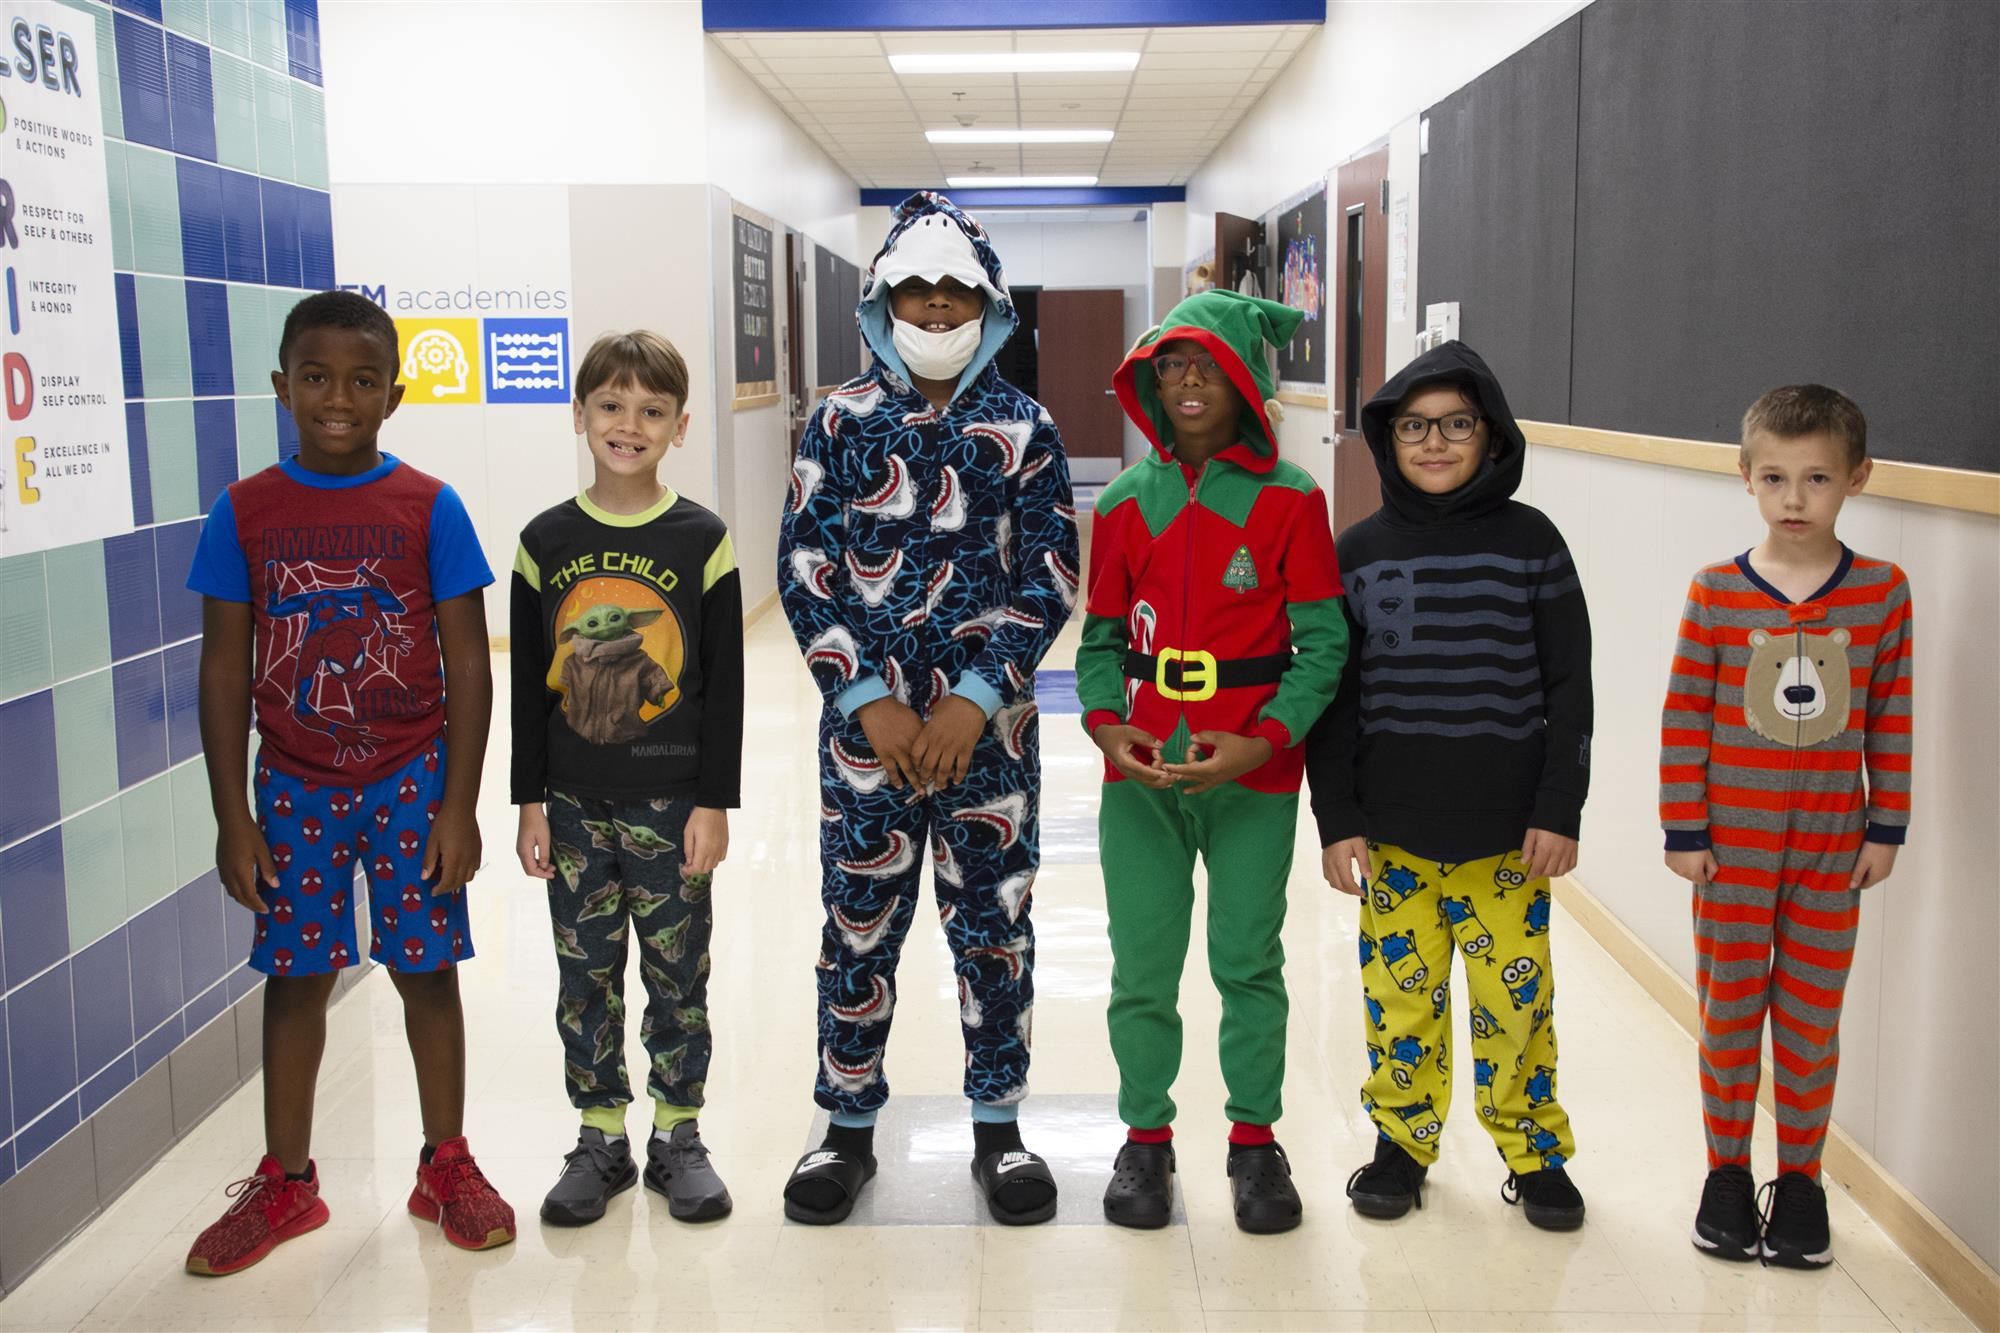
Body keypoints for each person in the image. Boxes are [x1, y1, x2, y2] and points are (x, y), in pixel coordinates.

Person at [182, 291, 512, 1274]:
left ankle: (444, 1165)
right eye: (317, 379)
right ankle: (288, 1183)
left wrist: (458, 803)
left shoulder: (428, 505)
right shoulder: (243, 511)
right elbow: (221, 670)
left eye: (362, 380)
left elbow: (470, 664)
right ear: (283, 386)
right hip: (290, 785)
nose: (338, 397)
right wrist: (232, 815)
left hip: (410, 778)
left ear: (393, 393)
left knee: (424, 971)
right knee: (297, 979)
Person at [776, 192, 1078, 1226]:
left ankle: (997, 1130)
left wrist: (973, 700)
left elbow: (1046, 577)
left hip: (985, 746)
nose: (936, 307)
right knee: (856, 929)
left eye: (957, 291)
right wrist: (868, 701)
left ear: (988, 305)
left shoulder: (1023, 428)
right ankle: (845, 1131)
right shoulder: (835, 422)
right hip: (864, 745)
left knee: (992, 933)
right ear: (881, 300)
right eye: (916, 288)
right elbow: (805, 568)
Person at [1077, 290, 1348, 1233]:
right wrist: (1110, 726)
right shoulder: (1122, 502)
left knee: (1247, 961)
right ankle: (1144, 1141)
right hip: (1140, 779)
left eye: (1206, 367)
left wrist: (1265, 739)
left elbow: (1323, 643)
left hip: (1253, 779)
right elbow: (1100, 643)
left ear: (1244, 380)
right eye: (1169, 368)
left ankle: (1253, 1142)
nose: (1187, 383)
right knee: (1142, 968)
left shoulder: (1291, 502)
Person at [1306, 341, 1592, 1231]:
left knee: (1517, 1006)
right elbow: (1334, 702)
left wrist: (1559, 805)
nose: (1434, 443)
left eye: (1456, 425)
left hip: (1508, 837)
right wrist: (1338, 819)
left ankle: (1534, 1150)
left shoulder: (1533, 543)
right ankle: (1402, 1143)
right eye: (1415, 427)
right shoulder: (1355, 553)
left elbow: (1570, 685)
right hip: (1393, 835)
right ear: (1389, 439)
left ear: (1492, 435)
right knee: (1402, 1003)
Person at [1661, 384, 1912, 1269]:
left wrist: (1888, 822)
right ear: (1745, 478)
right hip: (1732, 847)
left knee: (1809, 1017)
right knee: (1730, 1011)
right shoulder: (1717, 593)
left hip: (1832, 850)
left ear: (1857, 479)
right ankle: (1727, 1171)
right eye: (1775, 478)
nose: (1795, 499)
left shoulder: (1882, 594)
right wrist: (1684, 828)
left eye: (1816, 479)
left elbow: (1890, 712)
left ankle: (1799, 1179)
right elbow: (1685, 714)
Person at [511, 331, 743, 1227]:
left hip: (673, 799)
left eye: (650, 411)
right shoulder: (546, 540)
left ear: (679, 427)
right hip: (571, 804)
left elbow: (721, 687)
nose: (628, 425)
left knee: (679, 969)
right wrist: (528, 799)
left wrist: (714, 802)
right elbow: (535, 685)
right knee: (586, 970)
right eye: (610, 406)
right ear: (580, 415)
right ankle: (600, 1133)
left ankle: (678, 1131)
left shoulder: (702, 541)